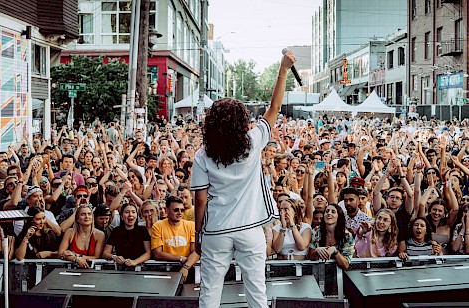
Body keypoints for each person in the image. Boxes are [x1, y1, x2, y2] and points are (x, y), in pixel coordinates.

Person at [191, 51, 295, 307]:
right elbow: (274, 109)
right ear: (242, 122)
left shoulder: (202, 155)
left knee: (210, 292)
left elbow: (200, 200)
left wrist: (198, 234)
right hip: (250, 229)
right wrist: (283, 69)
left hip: (216, 230)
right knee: (257, 292)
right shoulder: (253, 142)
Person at [151, 196, 200, 283]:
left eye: (182, 210)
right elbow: (157, 254)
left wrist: (186, 267)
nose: (180, 213)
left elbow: (195, 251)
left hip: (188, 269)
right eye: (176, 210)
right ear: (167, 210)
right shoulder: (158, 226)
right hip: (165, 270)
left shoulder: (191, 225)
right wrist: (181, 258)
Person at [102, 203, 151, 269]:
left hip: (140, 268)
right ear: (122, 216)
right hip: (121, 269)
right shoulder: (116, 231)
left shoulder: (142, 230)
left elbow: (148, 253)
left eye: (133, 212)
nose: (130, 215)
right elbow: (105, 253)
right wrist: (115, 257)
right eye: (127, 212)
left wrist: (135, 262)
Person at [308, 204, 355, 270]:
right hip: (319, 271)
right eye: (327, 211)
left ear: (339, 216)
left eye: (333, 211)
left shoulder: (347, 236)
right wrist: (317, 251)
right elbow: (310, 257)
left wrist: (335, 251)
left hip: (341, 274)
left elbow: (345, 265)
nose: (329, 213)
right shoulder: (316, 231)